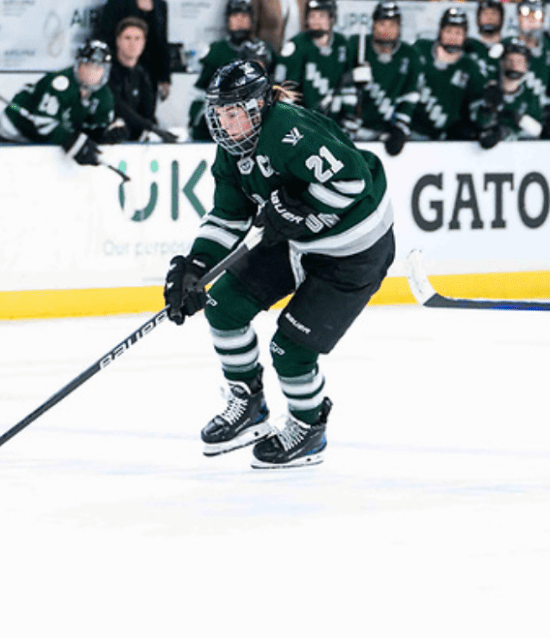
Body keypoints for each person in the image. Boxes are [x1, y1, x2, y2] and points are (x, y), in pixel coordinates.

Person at [162, 58, 395, 469]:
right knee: (223, 307)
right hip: (298, 240)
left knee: (289, 350)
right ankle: (248, 404)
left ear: (256, 107)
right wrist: (195, 266)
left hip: (352, 250)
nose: (224, 123)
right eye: (219, 113)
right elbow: (228, 215)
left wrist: (300, 205)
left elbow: (353, 182)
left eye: (233, 113)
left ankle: (309, 428)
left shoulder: (291, 132)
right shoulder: (232, 149)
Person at [0, 41, 119, 167]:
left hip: (43, 137)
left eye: (98, 68)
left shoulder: (104, 95)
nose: (92, 73)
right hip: (16, 126)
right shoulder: (61, 84)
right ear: (78, 65)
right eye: (87, 65)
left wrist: (106, 133)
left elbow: (95, 127)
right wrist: (71, 141)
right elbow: (44, 124)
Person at [335, 0, 422, 152]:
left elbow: (410, 96)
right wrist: (351, 78)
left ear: (399, 28)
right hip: (352, 127)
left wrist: (400, 129)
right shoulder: (357, 45)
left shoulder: (410, 55)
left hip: (386, 128)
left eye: (392, 25)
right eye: (382, 24)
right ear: (373, 25)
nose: (386, 30)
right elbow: (338, 81)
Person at [190, 0, 271, 140]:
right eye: (235, 15)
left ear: (251, 19)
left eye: (244, 15)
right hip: (223, 118)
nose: (239, 20)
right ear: (228, 19)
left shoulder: (263, 51)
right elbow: (200, 91)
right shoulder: (216, 51)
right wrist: (196, 118)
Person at [409, 6, 491, 146]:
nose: (453, 37)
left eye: (458, 32)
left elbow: (477, 107)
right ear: (440, 31)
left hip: (447, 141)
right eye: (448, 31)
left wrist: (488, 108)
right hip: (410, 135)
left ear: (465, 36)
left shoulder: (470, 66)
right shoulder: (420, 49)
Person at [96, 0, 171, 100]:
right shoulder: (118, 0)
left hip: (151, 71)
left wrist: (165, 78)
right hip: (121, 69)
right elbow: (105, 35)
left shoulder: (161, 5)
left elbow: (162, 43)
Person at [276, 0, 354, 114]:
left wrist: (349, 114)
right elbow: (286, 88)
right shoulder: (296, 45)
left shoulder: (342, 43)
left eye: (322, 16)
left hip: (334, 116)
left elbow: (347, 82)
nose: (316, 21)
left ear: (332, 18)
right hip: (303, 117)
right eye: (312, 16)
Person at [108, 16, 176, 142]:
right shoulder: (106, 71)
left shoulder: (143, 74)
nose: (132, 44)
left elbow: (148, 110)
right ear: (118, 40)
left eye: (137, 38)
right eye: (127, 38)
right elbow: (118, 106)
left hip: (137, 139)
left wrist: (153, 129)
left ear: (144, 42)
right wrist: (152, 128)